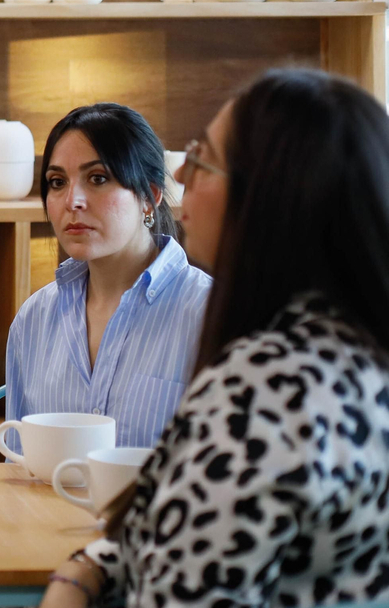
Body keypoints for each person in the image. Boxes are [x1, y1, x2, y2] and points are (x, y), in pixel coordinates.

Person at [41, 69, 389, 608]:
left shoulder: (269, 390)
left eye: (201, 159)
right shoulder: (346, 354)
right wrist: (84, 569)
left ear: (271, 201)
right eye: (57, 182)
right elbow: (177, 523)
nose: (179, 171)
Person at [4, 104, 210, 449]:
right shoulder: (33, 320)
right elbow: (20, 464)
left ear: (149, 197)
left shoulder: (210, 315)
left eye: (98, 178)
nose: (73, 201)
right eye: (57, 182)